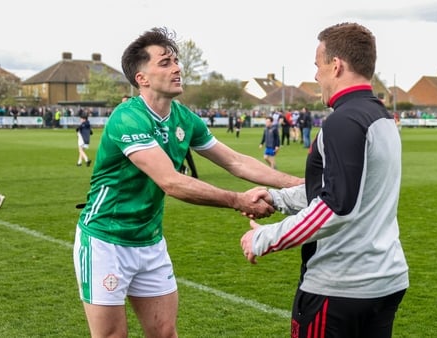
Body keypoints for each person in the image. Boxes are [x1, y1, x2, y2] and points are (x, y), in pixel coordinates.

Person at [72, 27, 303, 338]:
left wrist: (299, 184)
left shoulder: (185, 119)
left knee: (165, 334)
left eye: (176, 61)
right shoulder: (128, 118)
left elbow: (234, 161)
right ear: (142, 78)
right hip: (105, 242)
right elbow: (171, 181)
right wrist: (238, 200)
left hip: (150, 241)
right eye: (165, 63)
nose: (177, 68)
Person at [240, 22, 409, 338]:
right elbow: (345, 190)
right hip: (385, 280)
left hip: (341, 286)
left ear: (336, 66)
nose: (316, 76)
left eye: (318, 66)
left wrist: (264, 238)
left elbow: (336, 206)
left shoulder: (343, 122)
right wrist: (276, 199)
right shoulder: (381, 117)